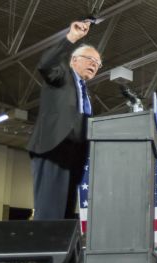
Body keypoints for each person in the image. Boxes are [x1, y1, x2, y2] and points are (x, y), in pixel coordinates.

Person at [28, 20, 101, 220]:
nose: (94, 64)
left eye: (98, 63)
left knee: (65, 217)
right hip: (53, 149)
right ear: (74, 60)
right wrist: (71, 38)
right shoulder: (61, 75)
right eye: (90, 59)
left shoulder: (85, 94)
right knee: (50, 215)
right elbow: (45, 64)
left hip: (75, 156)